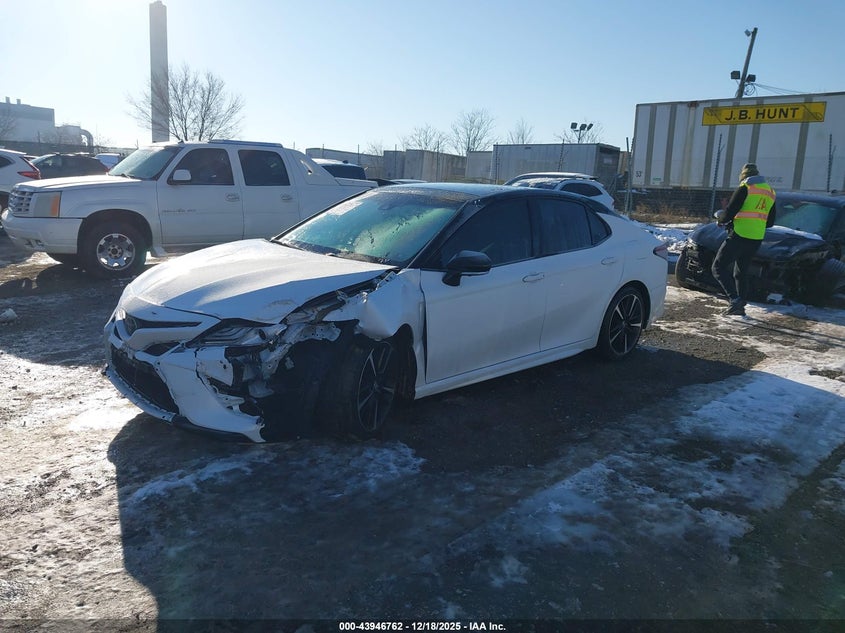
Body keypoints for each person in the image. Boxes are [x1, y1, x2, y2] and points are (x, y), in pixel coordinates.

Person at [711, 163, 777, 316]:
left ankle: (735, 300)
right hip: (756, 238)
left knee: (718, 267)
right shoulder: (770, 192)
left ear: (744, 176)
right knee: (741, 272)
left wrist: (721, 219)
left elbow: (729, 213)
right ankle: (739, 307)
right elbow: (770, 221)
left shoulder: (745, 188)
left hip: (739, 235)